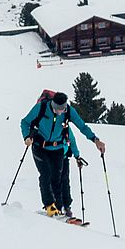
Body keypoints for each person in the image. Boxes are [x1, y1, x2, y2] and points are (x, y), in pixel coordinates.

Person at [20, 91, 105, 224]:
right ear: (52, 105)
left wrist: (95, 140)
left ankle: (58, 208)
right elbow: (25, 122)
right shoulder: (41, 107)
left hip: (57, 148)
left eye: (62, 109)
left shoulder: (69, 111)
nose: (60, 112)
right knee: (45, 174)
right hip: (39, 146)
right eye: (57, 109)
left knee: (57, 178)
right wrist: (26, 137)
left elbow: (82, 126)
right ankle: (49, 206)